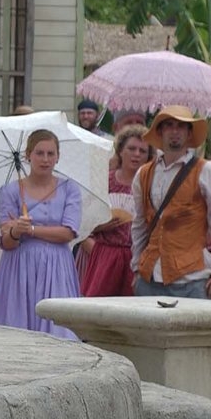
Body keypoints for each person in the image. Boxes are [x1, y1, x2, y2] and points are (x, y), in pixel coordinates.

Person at [130, 106, 211, 300]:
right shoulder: (144, 173)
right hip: (149, 276)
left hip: (191, 278)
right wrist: (136, 266)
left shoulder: (205, 170)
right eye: (169, 125)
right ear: (160, 131)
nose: (175, 131)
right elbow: (139, 224)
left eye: (181, 126)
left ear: (189, 133)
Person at [0, 130, 82, 339]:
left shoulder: (69, 189)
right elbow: (7, 242)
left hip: (56, 267)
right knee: (17, 332)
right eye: (39, 153)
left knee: (59, 332)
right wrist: (15, 231)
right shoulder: (9, 192)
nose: (45, 159)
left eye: (50, 153)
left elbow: (68, 232)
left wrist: (30, 230)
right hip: (19, 268)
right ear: (28, 155)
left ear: (58, 157)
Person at [78, 126, 151, 297]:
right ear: (120, 151)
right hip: (105, 253)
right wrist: (100, 228)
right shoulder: (105, 180)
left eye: (142, 151)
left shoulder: (150, 184)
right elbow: (82, 222)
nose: (136, 154)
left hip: (137, 256)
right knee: (97, 305)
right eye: (131, 149)